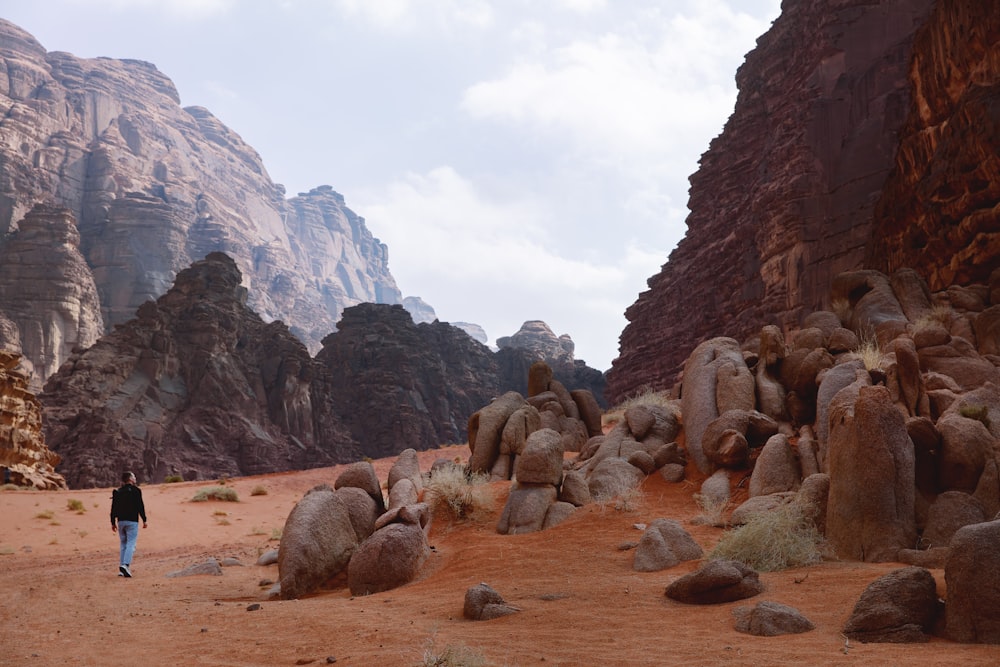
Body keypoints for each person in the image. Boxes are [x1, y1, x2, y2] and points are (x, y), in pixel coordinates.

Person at [110, 471, 147, 577]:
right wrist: (144, 519)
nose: (135, 479)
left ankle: (122, 569)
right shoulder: (136, 491)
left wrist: (113, 522)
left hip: (121, 521)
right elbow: (140, 506)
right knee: (131, 544)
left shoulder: (117, 491)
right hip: (132, 521)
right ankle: (125, 565)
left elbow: (114, 508)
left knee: (123, 544)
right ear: (130, 479)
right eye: (134, 477)